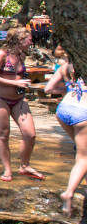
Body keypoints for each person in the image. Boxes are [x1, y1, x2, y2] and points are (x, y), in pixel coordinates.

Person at [0, 26, 43, 182]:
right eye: (29, 39)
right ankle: (7, 169)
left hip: (18, 99)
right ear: (19, 40)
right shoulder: (1, 55)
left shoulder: (21, 55)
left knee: (30, 133)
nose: (31, 42)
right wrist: (14, 83)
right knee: (3, 134)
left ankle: (24, 166)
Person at [44, 58, 87, 215]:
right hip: (83, 111)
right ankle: (68, 193)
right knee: (84, 157)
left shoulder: (65, 66)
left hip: (64, 109)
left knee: (80, 150)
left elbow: (48, 89)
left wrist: (68, 89)